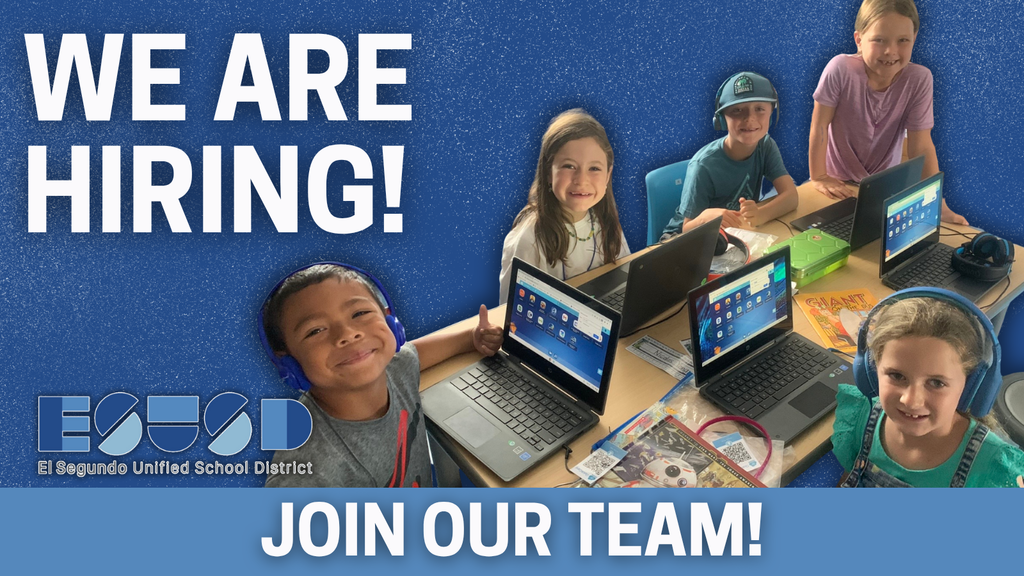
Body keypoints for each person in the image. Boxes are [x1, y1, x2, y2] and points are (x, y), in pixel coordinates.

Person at [259, 263, 503, 487]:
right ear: (288, 364)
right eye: (316, 330)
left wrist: (472, 337)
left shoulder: (396, 369)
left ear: (391, 323)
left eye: (359, 314)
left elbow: (417, 352)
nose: (348, 334)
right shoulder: (308, 471)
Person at [833, 292, 1024, 487]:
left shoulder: (992, 468)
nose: (911, 400)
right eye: (897, 376)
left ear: (971, 386)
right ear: (871, 372)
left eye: (936, 383)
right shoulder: (862, 418)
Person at [808, 0, 967, 224]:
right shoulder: (840, 69)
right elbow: (820, 126)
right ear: (859, 40)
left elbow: (921, 146)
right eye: (879, 40)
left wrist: (937, 204)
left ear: (914, 38)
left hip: (882, 189)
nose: (890, 51)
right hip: (836, 183)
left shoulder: (919, 79)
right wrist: (819, 176)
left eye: (903, 40)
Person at [499, 109, 629, 304]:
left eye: (594, 168)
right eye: (569, 166)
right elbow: (511, 315)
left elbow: (624, 275)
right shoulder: (528, 239)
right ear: (548, 172)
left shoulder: (604, 220)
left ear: (608, 176)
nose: (581, 180)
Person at [659, 72, 798, 242]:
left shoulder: (765, 145)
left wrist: (760, 214)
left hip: (731, 233)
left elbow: (791, 197)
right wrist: (705, 217)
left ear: (771, 114)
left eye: (760, 109)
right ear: (722, 119)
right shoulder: (703, 166)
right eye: (737, 110)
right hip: (681, 238)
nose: (750, 118)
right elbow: (686, 227)